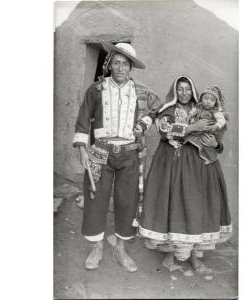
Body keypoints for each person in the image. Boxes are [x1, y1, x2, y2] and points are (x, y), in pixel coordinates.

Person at [73, 42, 161, 272]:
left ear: (131, 68)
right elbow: (83, 119)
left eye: (125, 64)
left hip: (129, 155)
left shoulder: (141, 91)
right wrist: (82, 149)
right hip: (100, 152)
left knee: (126, 202)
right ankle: (97, 248)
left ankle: (120, 248)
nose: (120, 68)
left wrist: (144, 123)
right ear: (110, 64)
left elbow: (157, 109)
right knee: (95, 200)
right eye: (117, 63)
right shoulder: (96, 89)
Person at [139, 76, 232, 277]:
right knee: (173, 205)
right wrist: (192, 128)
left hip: (199, 167)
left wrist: (216, 145)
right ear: (175, 91)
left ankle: (193, 256)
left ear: (193, 91)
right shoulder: (168, 109)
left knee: (194, 207)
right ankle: (172, 253)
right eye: (180, 89)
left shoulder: (203, 109)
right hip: (171, 165)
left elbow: (217, 135)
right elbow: (164, 130)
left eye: (187, 89)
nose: (184, 93)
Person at [186, 85, 228, 164]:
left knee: (207, 145)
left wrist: (216, 126)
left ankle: (211, 159)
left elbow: (222, 120)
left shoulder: (216, 112)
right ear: (201, 98)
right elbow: (194, 111)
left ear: (215, 102)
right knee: (192, 139)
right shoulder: (200, 107)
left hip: (208, 131)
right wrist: (190, 115)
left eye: (212, 100)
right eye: (206, 98)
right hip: (198, 130)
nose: (208, 102)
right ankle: (195, 154)